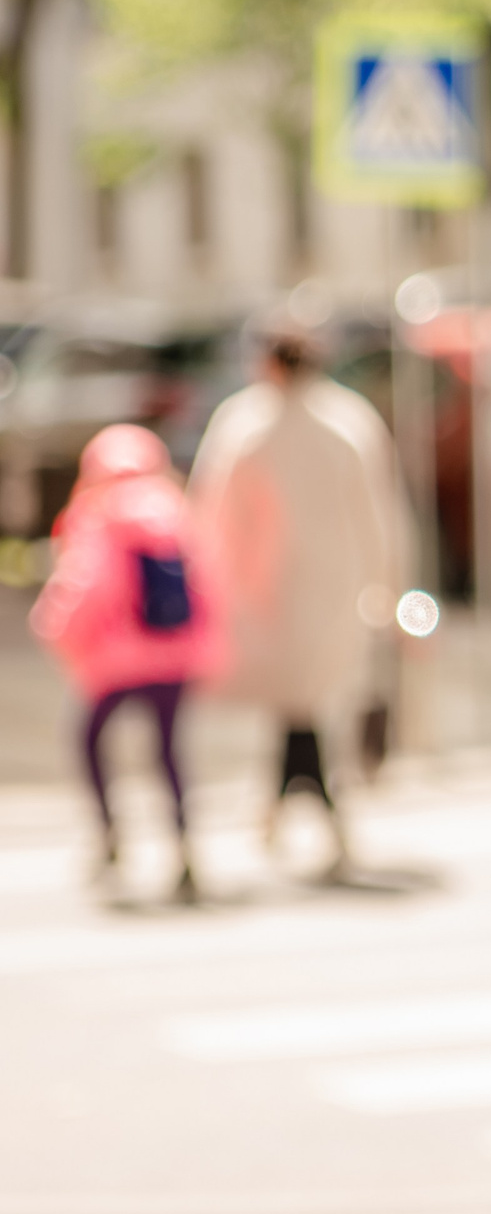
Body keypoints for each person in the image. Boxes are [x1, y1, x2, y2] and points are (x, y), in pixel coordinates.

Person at [190, 323, 408, 882]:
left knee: (297, 703)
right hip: (334, 589)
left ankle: (293, 810)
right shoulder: (348, 419)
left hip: (269, 592)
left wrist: (209, 583)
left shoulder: (245, 423)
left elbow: (213, 512)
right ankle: (296, 810)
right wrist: (389, 586)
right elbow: (381, 514)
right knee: (307, 701)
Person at [33, 424, 224, 904]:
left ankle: (110, 833)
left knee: (91, 740)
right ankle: (184, 850)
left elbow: (87, 587)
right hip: (173, 657)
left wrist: (54, 631)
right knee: (168, 753)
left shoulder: (99, 512)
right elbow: (208, 584)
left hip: (116, 661)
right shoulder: (173, 506)